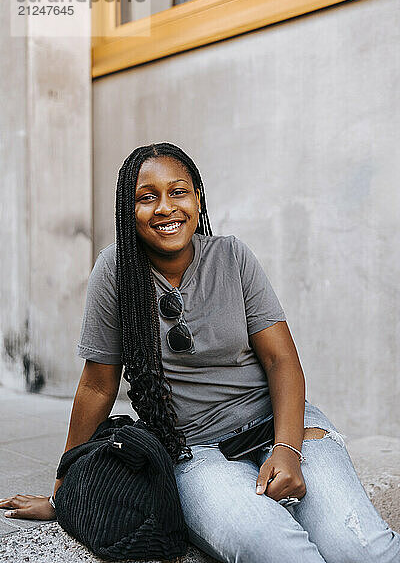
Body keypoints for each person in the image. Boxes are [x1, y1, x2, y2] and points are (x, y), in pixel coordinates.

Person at [1, 142, 399, 563]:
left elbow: (281, 360)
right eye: (146, 197)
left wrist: (287, 448)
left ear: (197, 199)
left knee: (359, 549)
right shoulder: (116, 272)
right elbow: (97, 388)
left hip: (279, 426)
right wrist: (66, 494)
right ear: (126, 209)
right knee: (276, 549)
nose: (165, 208)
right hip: (192, 451)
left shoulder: (232, 256)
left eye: (178, 192)